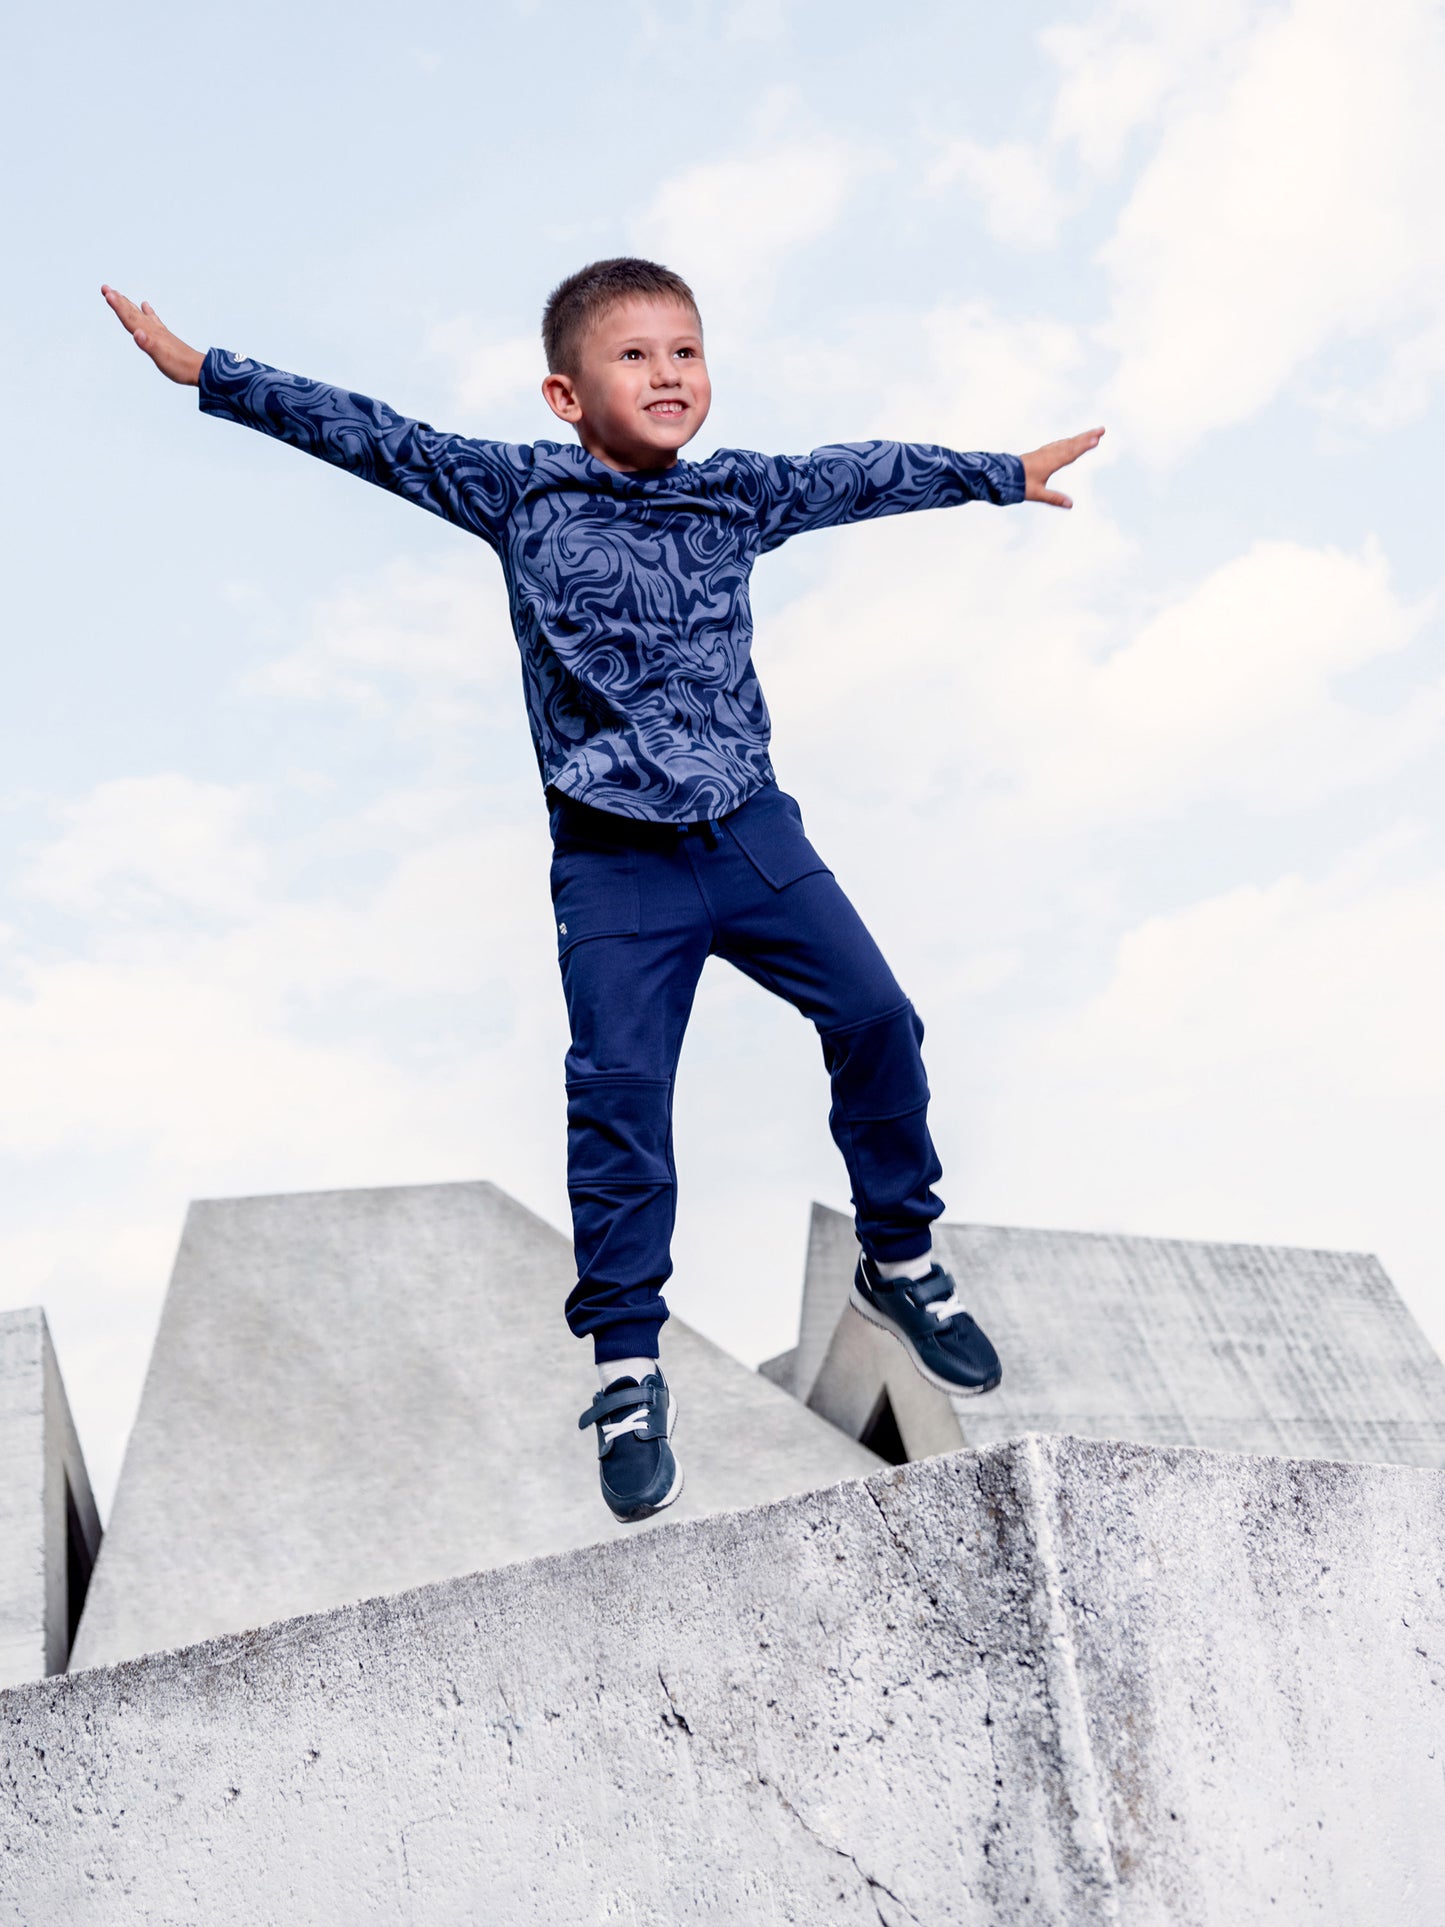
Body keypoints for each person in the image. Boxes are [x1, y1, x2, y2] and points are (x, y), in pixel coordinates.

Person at [101, 259, 1101, 1524]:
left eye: (685, 351)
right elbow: (373, 437)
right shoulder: (517, 489)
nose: (668, 374)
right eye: (635, 357)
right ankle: (626, 1366)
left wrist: (996, 473)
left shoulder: (736, 496)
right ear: (566, 393)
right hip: (613, 861)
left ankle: (897, 1253)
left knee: (878, 1019)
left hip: (748, 833)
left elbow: (858, 473)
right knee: (622, 1097)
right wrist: (212, 374)